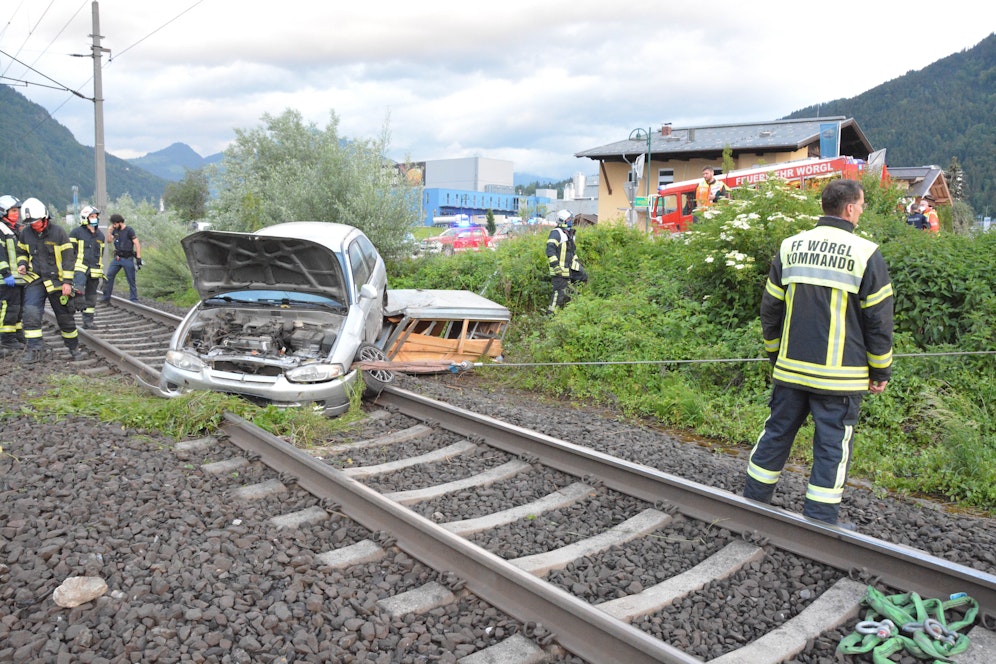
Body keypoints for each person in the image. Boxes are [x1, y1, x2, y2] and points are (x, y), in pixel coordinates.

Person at [742, 179, 894, 526]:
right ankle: (820, 521)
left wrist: (774, 355)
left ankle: (752, 503)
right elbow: (879, 322)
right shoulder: (865, 253)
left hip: (791, 372)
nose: (861, 211)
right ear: (850, 208)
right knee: (831, 449)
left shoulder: (791, 247)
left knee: (776, 433)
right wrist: (880, 371)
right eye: (862, 205)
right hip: (840, 380)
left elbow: (770, 311)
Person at [16, 198, 83, 363]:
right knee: (31, 313)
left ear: (45, 218)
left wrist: (67, 282)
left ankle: (73, 348)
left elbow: (68, 259)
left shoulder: (59, 232)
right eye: (30, 222)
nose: (33, 225)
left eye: (36, 222)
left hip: (57, 281)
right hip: (36, 280)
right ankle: (34, 350)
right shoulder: (26, 233)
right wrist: (22, 263)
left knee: (65, 317)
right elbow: (21, 252)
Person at [69, 205, 106, 329]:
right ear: (85, 218)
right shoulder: (76, 232)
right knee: (77, 291)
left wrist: (101, 272)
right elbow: (69, 251)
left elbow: (100, 254)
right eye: (92, 216)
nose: (95, 218)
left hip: (94, 270)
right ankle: (69, 317)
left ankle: (88, 321)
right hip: (79, 268)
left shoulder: (100, 236)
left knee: (91, 296)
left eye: (96, 216)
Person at [546, 209, 586, 315]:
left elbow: (572, 253)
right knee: (558, 296)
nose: (571, 221)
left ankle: (569, 311)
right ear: (562, 220)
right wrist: (556, 266)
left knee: (583, 279)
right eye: (568, 219)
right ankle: (550, 316)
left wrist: (578, 267)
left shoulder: (569, 234)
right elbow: (550, 250)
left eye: (571, 219)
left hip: (569, 270)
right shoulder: (556, 233)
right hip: (559, 271)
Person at [0, 195, 26, 355]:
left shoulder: (16, 229)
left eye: (18, 211)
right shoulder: (2, 230)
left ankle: (17, 333)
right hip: (6, 279)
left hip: (19, 278)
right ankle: (6, 338)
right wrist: (5, 273)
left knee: (19, 308)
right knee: (9, 308)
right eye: (13, 211)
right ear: (4, 211)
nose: (17, 214)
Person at [102, 213, 142, 302]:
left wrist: (138, 257)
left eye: (115, 224)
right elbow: (109, 241)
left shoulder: (129, 230)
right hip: (117, 258)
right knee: (109, 276)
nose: (113, 225)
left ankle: (133, 299)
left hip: (128, 258)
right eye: (113, 224)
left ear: (120, 222)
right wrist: (109, 231)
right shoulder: (115, 230)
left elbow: (137, 243)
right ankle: (106, 297)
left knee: (131, 279)